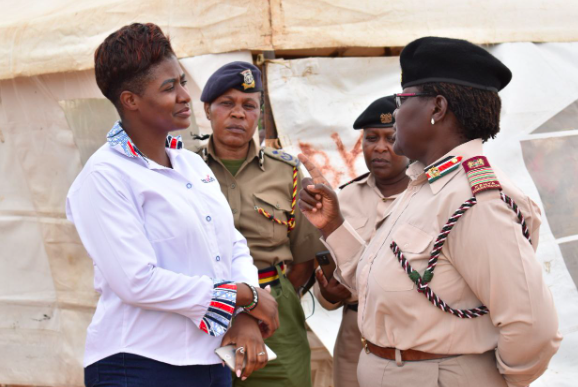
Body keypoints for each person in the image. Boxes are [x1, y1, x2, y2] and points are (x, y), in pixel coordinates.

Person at [298, 36, 562, 387]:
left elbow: (531, 325)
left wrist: (496, 381)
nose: (395, 113)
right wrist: (333, 226)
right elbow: (381, 280)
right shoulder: (427, 184)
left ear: (437, 109)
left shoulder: (476, 200)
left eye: (403, 100)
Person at [66, 23, 278, 387]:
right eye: (170, 87)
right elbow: (137, 281)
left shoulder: (190, 165)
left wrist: (244, 310)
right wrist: (244, 294)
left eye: (181, 81)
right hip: (138, 364)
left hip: (209, 361)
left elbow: (232, 245)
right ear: (131, 100)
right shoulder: (105, 176)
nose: (185, 95)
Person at [198, 61, 325, 387]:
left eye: (249, 105)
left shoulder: (288, 172)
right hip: (197, 310)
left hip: (274, 314)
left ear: (259, 115)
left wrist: (269, 301)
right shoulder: (182, 169)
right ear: (208, 109)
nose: (238, 114)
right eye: (227, 103)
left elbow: (304, 257)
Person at [314, 95, 409, 387]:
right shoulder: (343, 199)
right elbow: (326, 280)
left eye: (391, 138)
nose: (379, 147)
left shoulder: (432, 197)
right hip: (356, 335)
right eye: (370, 138)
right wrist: (329, 294)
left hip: (412, 334)